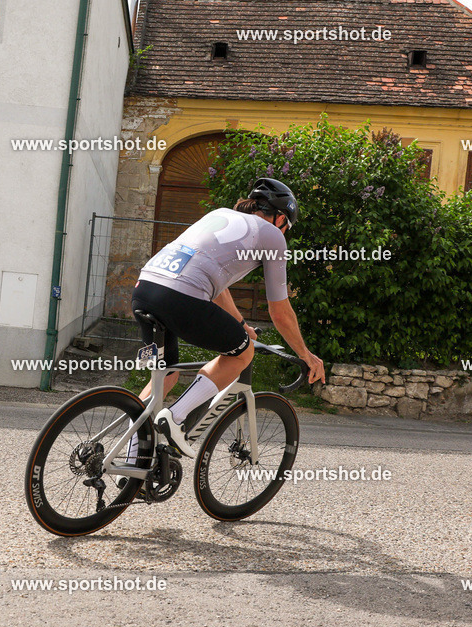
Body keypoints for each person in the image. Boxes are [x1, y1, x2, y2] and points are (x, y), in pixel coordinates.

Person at [126, 178, 326, 464]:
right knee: (241, 352)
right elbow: (280, 311)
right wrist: (305, 354)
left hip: (145, 289)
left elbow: (216, 285)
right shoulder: (272, 234)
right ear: (281, 217)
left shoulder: (218, 214)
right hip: (181, 296)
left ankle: (131, 464)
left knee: (165, 375)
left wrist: (242, 326)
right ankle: (175, 418)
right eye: (287, 226)